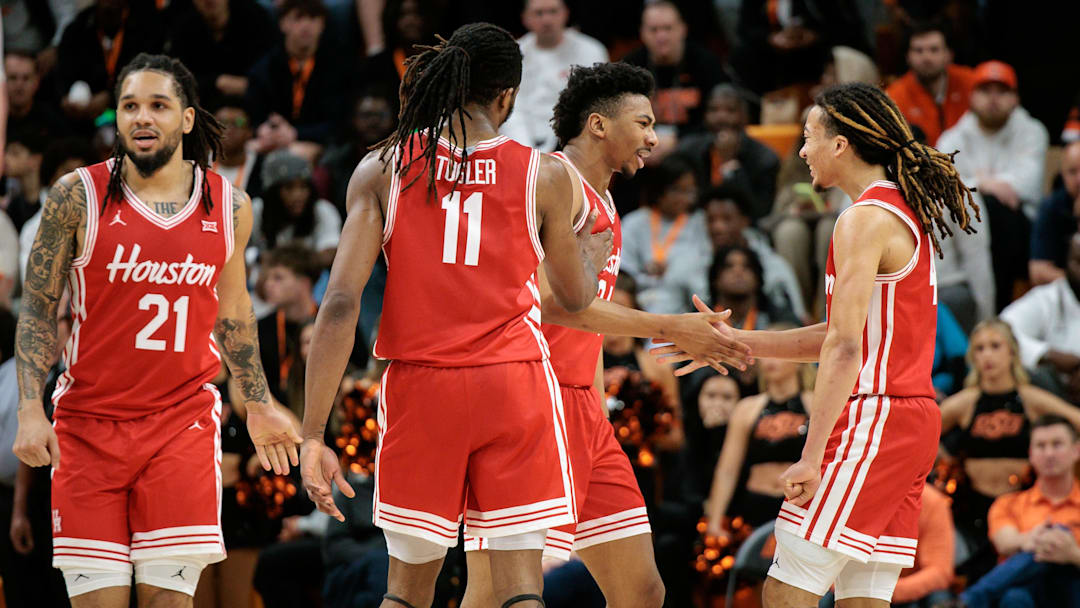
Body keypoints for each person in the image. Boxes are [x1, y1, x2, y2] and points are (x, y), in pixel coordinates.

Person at [298, 23, 607, 608]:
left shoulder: (384, 167)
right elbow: (574, 298)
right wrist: (589, 250)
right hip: (514, 383)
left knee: (407, 591)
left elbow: (339, 303)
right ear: (506, 96)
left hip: (422, 387)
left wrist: (314, 431)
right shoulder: (545, 175)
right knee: (520, 590)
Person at [657, 82, 980, 607]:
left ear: (841, 144)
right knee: (863, 597)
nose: (801, 151)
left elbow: (845, 350)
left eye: (808, 137)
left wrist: (811, 455)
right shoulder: (898, 212)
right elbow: (839, 336)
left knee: (786, 589)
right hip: (910, 418)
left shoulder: (863, 219)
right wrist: (739, 342)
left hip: (875, 418)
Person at [11, 53, 301, 606]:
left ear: (187, 119)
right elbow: (38, 308)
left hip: (180, 427)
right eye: (130, 106)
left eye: (159, 106)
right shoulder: (77, 195)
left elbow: (234, 312)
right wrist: (30, 407)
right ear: (117, 119)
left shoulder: (231, 206)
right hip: (87, 429)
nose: (142, 117)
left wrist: (259, 402)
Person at [461, 60, 752, 608]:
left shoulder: (607, 198)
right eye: (642, 123)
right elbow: (550, 305)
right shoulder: (553, 181)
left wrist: (596, 411)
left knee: (642, 589)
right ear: (598, 125)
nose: (653, 137)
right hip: (528, 403)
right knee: (494, 594)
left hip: (583, 413)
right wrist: (670, 327)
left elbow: (585, 322)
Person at [939, 319, 1080, 578]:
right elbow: (923, 430)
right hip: (970, 506)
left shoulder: (1030, 398)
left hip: (1019, 507)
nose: (987, 355)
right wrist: (944, 461)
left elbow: (1075, 421)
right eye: (979, 349)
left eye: (995, 346)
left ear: (1012, 352)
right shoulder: (966, 402)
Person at [937, 60, 1048, 313]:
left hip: (1020, 228)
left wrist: (973, 184)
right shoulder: (952, 137)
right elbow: (943, 187)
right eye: (985, 91)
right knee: (981, 208)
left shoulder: (1033, 131)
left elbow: (1027, 186)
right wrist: (986, 184)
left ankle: (997, 309)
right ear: (971, 96)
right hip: (964, 228)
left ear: (1015, 99)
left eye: (1002, 91)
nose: (993, 99)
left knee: (994, 209)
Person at [951, 415, 1080, 608]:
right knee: (1015, 597)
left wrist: (1073, 553)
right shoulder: (1009, 503)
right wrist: (1032, 540)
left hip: (1073, 589)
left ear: (1076, 450)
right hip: (1022, 591)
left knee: (1060, 534)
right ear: (1031, 454)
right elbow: (1004, 543)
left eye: (1057, 444)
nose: (1049, 453)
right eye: (1041, 446)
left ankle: (969, 601)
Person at [705, 349, 813, 537]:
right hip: (755, 505)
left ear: (800, 361)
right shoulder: (747, 408)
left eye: (779, 352)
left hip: (801, 505)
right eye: (765, 354)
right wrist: (714, 519)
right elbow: (727, 469)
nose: (770, 360)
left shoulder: (815, 403)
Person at [498, 0, 607, 152]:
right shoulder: (514, 54)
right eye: (539, 13)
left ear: (566, 13)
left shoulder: (591, 51)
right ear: (525, 18)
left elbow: (594, 105)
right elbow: (512, 109)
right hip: (524, 144)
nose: (547, 20)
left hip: (574, 146)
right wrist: (527, 154)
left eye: (553, 11)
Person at [623, 1, 729, 151]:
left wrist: (677, 140)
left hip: (693, 144)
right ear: (642, 33)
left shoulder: (706, 63)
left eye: (668, 28)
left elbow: (717, 118)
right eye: (654, 30)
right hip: (643, 148)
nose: (661, 36)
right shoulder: (630, 67)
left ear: (683, 29)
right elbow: (621, 118)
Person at [245, 0, 347, 151]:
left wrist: (296, 133)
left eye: (313, 18)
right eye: (298, 18)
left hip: (320, 145)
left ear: (322, 25)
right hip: (270, 142)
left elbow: (340, 123)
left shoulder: (339, 67)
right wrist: (264, 129)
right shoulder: (264, 69)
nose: (306, 25)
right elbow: (253, 116)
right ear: (283, 24)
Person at [676, 84, 780, 223]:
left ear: (745, 116)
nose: (721, 117)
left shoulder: (765, 159)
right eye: (714, 110)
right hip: (695, 226)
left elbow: (759, 210)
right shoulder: (688, 150)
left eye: (730, 110)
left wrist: (729, 166)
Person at [620, 153, 708, 315]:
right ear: (659, 190)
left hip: (686, 303)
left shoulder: (700, 223)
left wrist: (675, 273)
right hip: (638, 302)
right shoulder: (635, 222)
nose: (684, 199)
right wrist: (643, 273)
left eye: (689, 191)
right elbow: (623, 267)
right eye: (677, 190)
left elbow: (704, 263)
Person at [1000, 233, 1080, 403]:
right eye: (1078, 262)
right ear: (1065, 263)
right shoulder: (1047, 298)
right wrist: (1047, 355)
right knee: (1038, 376)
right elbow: (1001, 330)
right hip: (1057, 396)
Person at [169, 0, 277, 110]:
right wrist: (217, 82)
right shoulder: (183, 24)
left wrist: (251, 85)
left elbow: (273, 70)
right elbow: (176, 77)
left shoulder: (255, 17)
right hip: (202, 110)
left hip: (253, 107)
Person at [885, 21, 975, 146]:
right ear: (907, 57)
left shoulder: (972, 83)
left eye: (934, 50)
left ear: (949, 55)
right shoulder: (894, 96)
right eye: (918, 50)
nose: (926, 57)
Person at [252, 150, 342, 269]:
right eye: (289, 188)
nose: (298, 195)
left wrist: (283, 261)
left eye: (303, 187)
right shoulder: (257, 209)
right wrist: (257, 257)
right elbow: (236, 251)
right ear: (272, 192)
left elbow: (329, 254)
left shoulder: (322, 210)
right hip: (262, 280)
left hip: (309, 281)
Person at [1029, 141, 1080, 285]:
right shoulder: (1051, 206)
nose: (1079, 179)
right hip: (1066, 293)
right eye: (1072, 171)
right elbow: (1038, 272)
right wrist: (1075, 282)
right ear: (1062, 175)